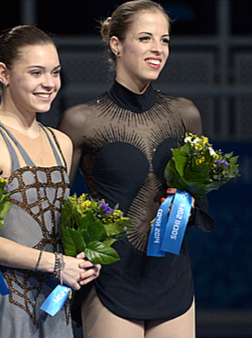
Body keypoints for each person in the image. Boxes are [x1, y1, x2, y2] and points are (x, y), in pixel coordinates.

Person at [57, 1, 215, 337]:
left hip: (171, 279)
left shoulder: (185, 114)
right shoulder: (81, 121)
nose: (158, 49)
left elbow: (199, 203)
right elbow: (58, 207)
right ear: (116, 44)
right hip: (110, 281)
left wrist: (183, 206)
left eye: (165, 40)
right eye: (145, 38)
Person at [0, 25, 101, 338]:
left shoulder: (63, 143)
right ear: (4, 73)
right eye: (36, 72)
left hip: (54, 306)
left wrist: (84, 256)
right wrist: (55, 263)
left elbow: (54, 226)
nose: (49, 83)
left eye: (55, 72)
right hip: (3, 305)